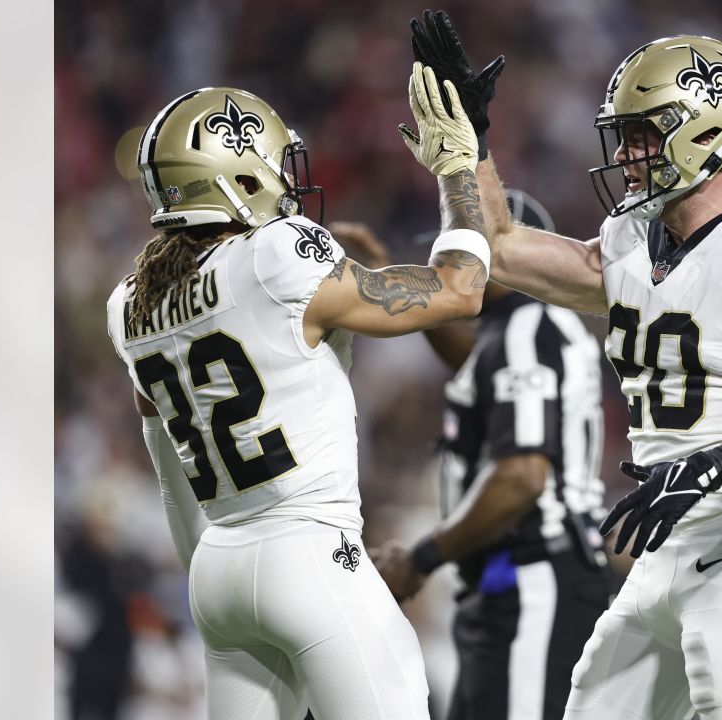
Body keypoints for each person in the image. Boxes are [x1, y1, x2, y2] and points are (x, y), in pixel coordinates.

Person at [405, 12, 722, 719]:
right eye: (629, 133)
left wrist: (713, 463)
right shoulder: (629, 246)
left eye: (647, 131)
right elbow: (496, 241)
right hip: (661, 557)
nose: (630, 152)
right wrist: (469, 152)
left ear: (711, 131)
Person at [105, 77, 488, 720]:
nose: (286, 178)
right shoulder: (272, 254)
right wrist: (459, 172)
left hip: (218, 568)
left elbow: (168, 469)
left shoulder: (128, 304)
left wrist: (207, 560)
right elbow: (461, 291)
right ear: (237, 174)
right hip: (309, 553)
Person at [333, 190, 613, 720]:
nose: (448, 266)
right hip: (521, 579)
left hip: (534, 576)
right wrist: (392, 284)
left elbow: (522, 476)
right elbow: (474, 361)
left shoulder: (529, 336)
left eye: (463, 253)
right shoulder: (521, 334)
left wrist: (421, 559)